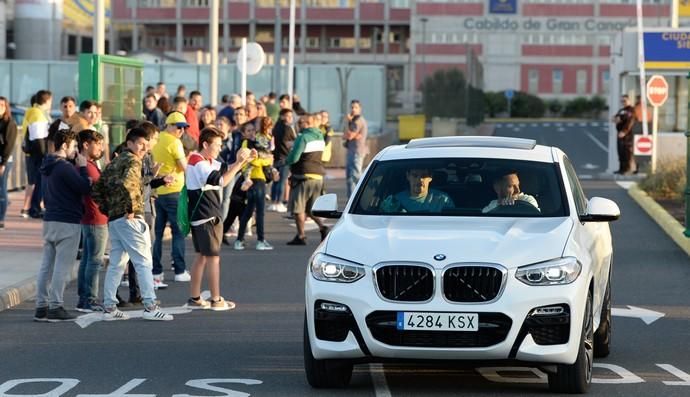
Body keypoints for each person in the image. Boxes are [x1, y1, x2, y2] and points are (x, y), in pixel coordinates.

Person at [93, 127, 173, 321]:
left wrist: (109, 210)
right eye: (140, 144)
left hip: (115, 219)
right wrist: (129, 209)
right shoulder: (133, 160)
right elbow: (129, 184)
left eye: (146, 145)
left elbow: (96, 189)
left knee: (117, 264)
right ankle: (150, 306)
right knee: (144, 262)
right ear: (129, 143)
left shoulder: (115, 162)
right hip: (130, 218)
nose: (143, 148)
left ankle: (110, 307)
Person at [186, 128, 255, 310]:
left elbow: (226, 169)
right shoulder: (199, 162)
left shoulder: (204, 160)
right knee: (213, 258)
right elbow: (221, 181)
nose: (219, 148)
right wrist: (240, 162)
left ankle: (195, 298)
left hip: (202, 215)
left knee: (201, 257)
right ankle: (216, 300)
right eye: (216, 145)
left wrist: (244, 161)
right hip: (207, 216)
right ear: (205, 144)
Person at [33, 129, 91, 322]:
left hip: (50, 219)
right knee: (62, 267)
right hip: (67, 220)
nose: (76, 151)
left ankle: (41, 306)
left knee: (46, 266)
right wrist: (83, 168)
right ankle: (56, 306)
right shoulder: (64, 167)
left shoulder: (47, 165)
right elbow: (84, 187)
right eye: (74, 146)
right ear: (65, 145)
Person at [151, 111, 190, 287]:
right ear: (170, 125)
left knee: (157, 234)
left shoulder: (157, 139)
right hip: (174, 191)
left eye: (184, 128)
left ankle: (156, 272)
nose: (182, 131)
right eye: (179, 127)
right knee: (179, 232)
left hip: (157, 191)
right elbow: (184, 167)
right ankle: (180, 271)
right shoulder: (175, 142)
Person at [75, 130, 108, 313]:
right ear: (86, 145)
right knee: (94, 261)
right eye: (98, 144)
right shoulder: (86, 166)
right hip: (95, 217)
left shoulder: (88, 164)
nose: (101, 148)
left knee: (88, 259)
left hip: (91, 217)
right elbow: (95, 189)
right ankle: (90, 299)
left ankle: (84, 299)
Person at [286, 114, 328, 245]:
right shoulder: (320, 137)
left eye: (300, 124)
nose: (298, 127)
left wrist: (286, 160)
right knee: (310, 209)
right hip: (318, 177)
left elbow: (294, 158)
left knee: (298, 208)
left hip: (303, 176)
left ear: (306, 123)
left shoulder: (303, 137)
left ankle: (301, 235)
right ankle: (322, 227)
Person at [233, 117, 275, 251]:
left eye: (253, 130)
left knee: (249, 211)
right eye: (249, 130)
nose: (252, 132)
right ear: (244, 133)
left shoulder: (256, 141)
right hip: (255, 179)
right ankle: (260, 240)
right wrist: (267, 161)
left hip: (257, 178)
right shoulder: (247, 143)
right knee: (260, 212)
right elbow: (249, 161)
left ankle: (239, 240)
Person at [23, 90, 53, 219]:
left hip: (33, 153)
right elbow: (39, 138)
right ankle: (34, 208)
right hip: (39, 154)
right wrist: (44, 156)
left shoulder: (33, 111)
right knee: (40, 181)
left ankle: (35, 207)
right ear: (47, 100)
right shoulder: (38, 114)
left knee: (38, 182)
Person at [380, 167, 454, 213]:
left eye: (424, 176)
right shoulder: (395, 201)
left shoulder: (443, 200)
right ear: (408, 176)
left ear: (430, 177)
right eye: (415, 175)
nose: (419, 180)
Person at [269, 108, 296, 213]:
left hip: (276, 157)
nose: (290, 118)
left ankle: (273, 202)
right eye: (288, 116)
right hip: (285, 158)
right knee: (281, 181)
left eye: (291, 116)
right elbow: (294, 141)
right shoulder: (288, 128)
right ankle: (279, 202)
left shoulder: (275, 128)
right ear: (282, 116)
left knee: (276, 180)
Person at [343, 99, 369, 198]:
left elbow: (349, 136)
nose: (353, 109)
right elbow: (345, 135)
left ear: (360, 109)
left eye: (356, 107)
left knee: (356, 176)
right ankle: (351, 200)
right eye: (352, 107)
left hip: (357, 152)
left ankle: (365, 194)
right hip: (352, 151)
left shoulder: (358, 121)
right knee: (350, 178)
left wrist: (348, 122)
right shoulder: (353, 121)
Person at [0, 96, 17, 230]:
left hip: (3, 160)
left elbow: (9, 145)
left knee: (2, 189)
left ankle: (1, 219)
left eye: (2, 105)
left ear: (6, 108)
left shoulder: (9, 123)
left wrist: (3, 163)